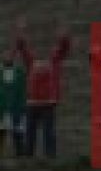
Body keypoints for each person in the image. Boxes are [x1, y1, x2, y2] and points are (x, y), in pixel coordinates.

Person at [14, 19, 70, 158]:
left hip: (47, 103)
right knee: (30, 131)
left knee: (48, 131)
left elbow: (63, 49)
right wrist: (20, 31)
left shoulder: (53, 62)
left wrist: (63, 36)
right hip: (32, 102)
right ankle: (29, 154)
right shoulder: (31, 62)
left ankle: (50, 155)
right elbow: (21, 47)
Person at [0, 48, 24, 157]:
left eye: (9, 55)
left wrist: (22, 106)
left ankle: (20, 154)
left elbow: (22, 89)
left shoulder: (19, 72)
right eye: (5, 55)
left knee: (17, 132)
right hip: (2, 107)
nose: (7, 57)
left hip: (16, 107)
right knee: (1, 132)